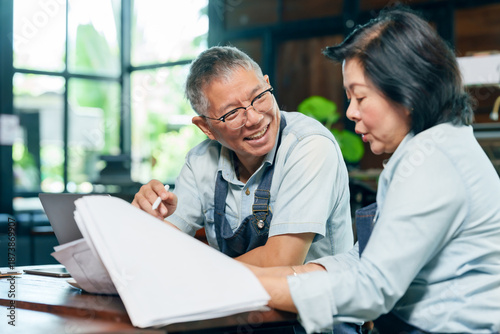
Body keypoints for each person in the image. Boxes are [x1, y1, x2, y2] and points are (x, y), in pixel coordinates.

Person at [248, 8, 500, 334]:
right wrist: (254, 278)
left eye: (360, 96)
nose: (350, 111)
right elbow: (362, 259)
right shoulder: (422, 150)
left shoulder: (434, 161)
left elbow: (371, 288)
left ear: (409, 91)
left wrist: (245, 287)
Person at [131, 46, 354, 268]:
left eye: (258, 96)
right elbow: (158, 245)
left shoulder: (309, 145)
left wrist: (198, 272)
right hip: (235, 298)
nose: (254, 118)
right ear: (206, 128)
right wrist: (150, 219)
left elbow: (282, 261)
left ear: (267, 83)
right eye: (232, 112)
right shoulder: (201, 162)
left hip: (314, 301)